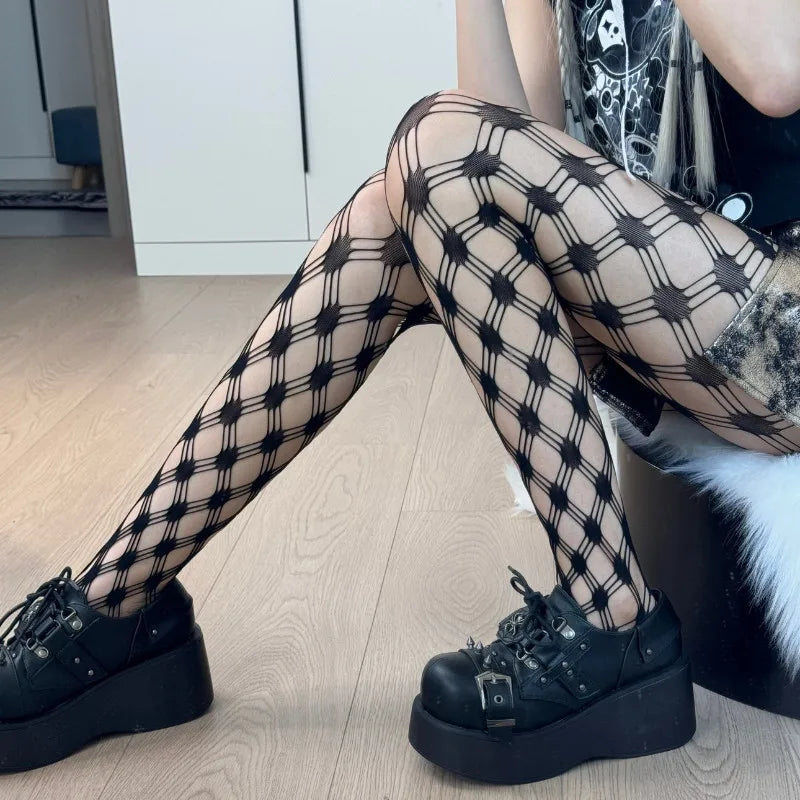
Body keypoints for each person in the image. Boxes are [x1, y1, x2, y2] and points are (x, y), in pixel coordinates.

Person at [1, 0, 798, 783]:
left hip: (780, 333)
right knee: (400, 199)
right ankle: (117, 604)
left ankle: (610, 613)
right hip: (673, 331)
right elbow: (504, 146)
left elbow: (777, 70)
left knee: (439, 147)